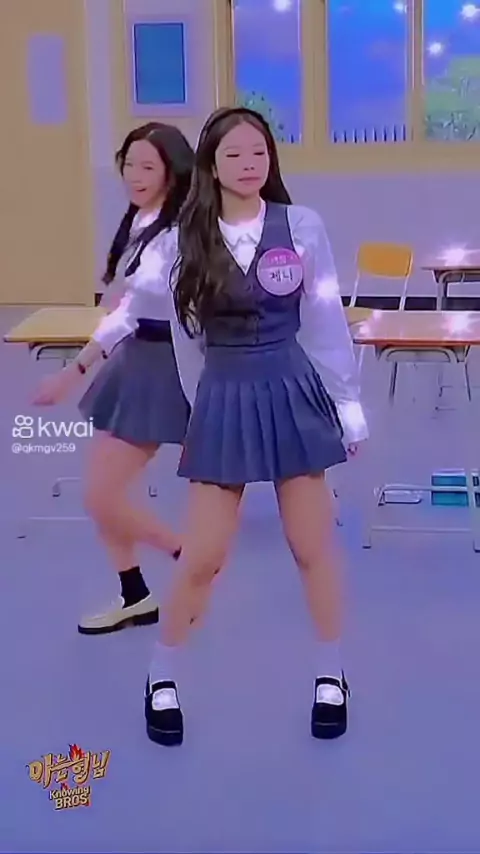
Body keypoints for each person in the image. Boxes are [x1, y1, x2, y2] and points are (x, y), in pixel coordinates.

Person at [32, 122, 195, 635]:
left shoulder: (178, 233)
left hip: (161, 367)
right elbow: (125, 312)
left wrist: (74, 369)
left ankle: (189, 556)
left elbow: (148, 309)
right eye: (129, 164)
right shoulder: (141, 223)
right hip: (134, 360)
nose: (135, 175)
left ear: (173, 173)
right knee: (104, 497)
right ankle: (135, 596)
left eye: (148, 166)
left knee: (101, 498)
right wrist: (74, 370)